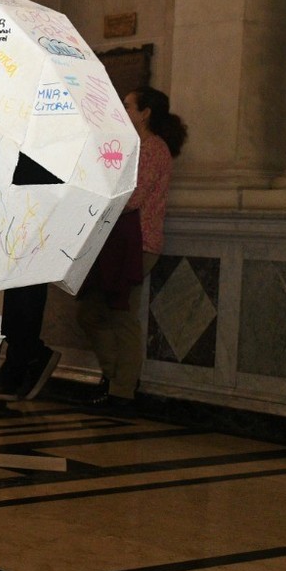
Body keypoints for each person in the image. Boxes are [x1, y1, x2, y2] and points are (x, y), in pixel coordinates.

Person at [75, 86, 186, 408]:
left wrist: (95, 197)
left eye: (127, 105)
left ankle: (121, 389)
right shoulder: (134, 145)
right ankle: (115, 376)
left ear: (145, 112)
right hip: (118, 241)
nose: (121, 110)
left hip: (137, 241)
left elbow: (132, 197)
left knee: (121, 315)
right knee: (91, 313)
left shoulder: (153, 148)